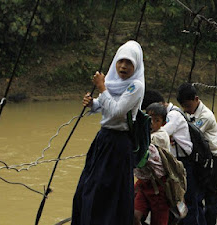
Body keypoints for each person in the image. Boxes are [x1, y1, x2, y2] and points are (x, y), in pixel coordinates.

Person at [72, 40, 145, 225]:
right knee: (88, 186)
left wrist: (102, 88)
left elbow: (117, 111)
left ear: (136, 64)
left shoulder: (135, 86)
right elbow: (104, 105)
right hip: (103, 139)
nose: (123, 66)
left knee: (109, 190)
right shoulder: (113, 82)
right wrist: (92, 103)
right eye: (121, 61)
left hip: (119, 143)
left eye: (129, 63)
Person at [142, 90, 200, 225]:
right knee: (176, 202)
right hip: (170, 162)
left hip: (182, 163)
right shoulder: (170, 114)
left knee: (184, 201)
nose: (150, 122)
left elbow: (159, 135)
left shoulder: (173, 116)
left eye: (154, 118)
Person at [177, 83, 217, 225]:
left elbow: (190, 135)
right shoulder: (190, 113)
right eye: (183, 107)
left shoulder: (205, 116)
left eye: (188, 106)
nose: (186, 110)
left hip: (215, 162)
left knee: (211, 202)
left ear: (196, 99)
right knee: (197, 199)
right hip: (203, 162)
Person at [134, 103, 171, 225]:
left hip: (159, 186)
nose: (152, 123)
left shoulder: (159, 136)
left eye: (157, 120)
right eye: (149, 119)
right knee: (134, 216)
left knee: (159, 222)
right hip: (144, 183)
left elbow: (142, 144)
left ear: (163, 123)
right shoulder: (147, 135)